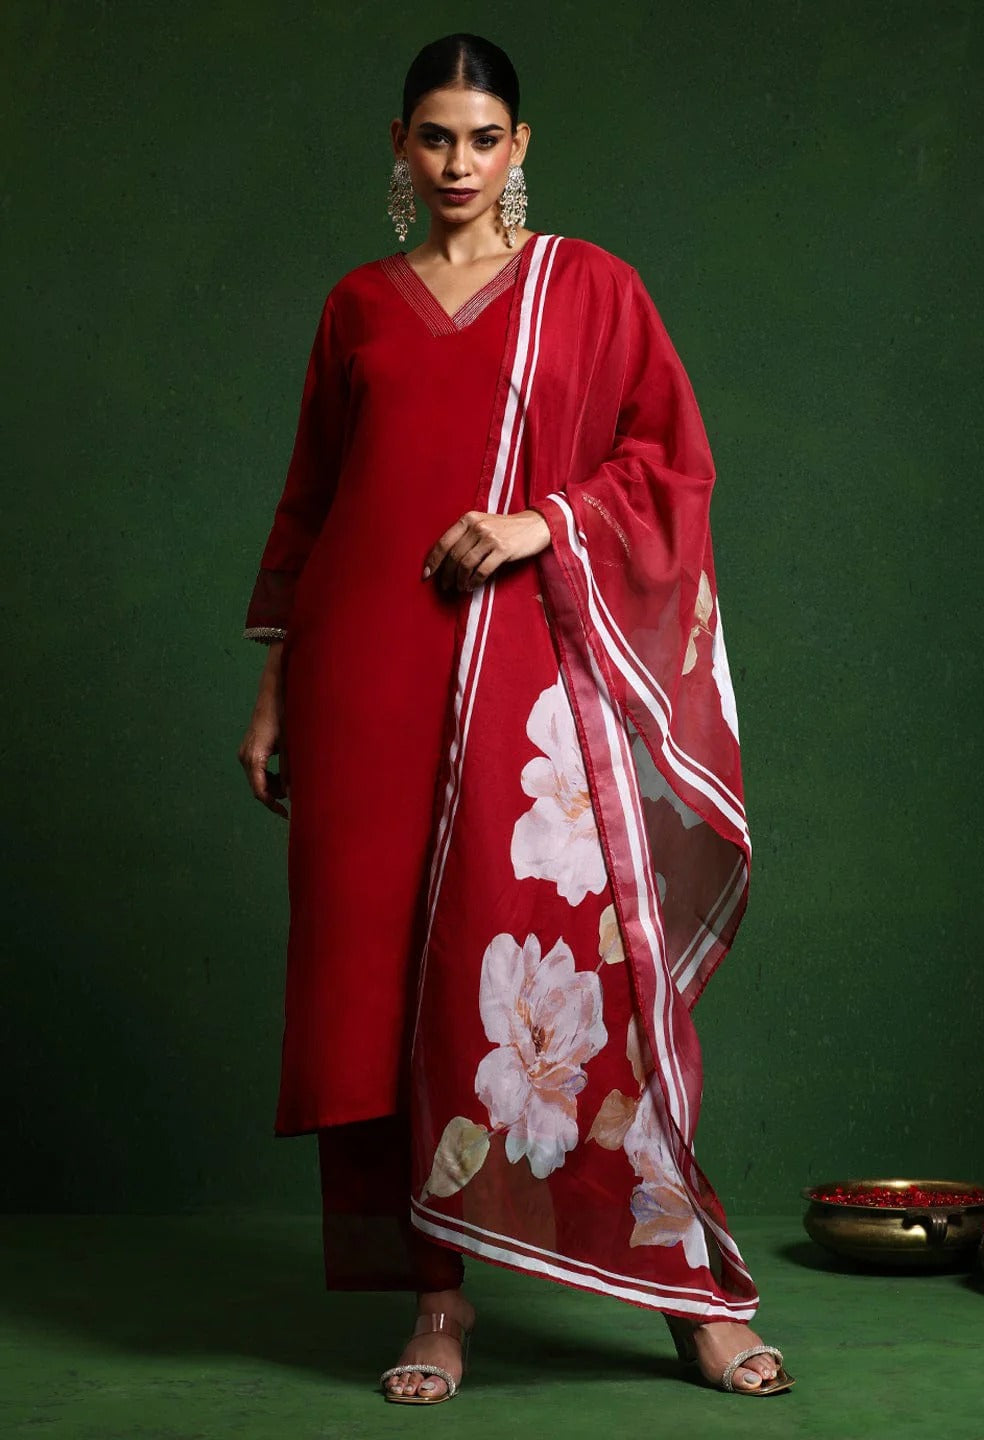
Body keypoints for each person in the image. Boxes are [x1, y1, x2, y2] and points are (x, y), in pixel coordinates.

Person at [237, 31, 793, 1407]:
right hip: (361, 678)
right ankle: (436, 1304)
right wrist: (270, 688)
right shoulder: (356, 305)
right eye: (436, 137)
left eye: (485, 139)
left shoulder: (587, 287)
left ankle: (682, 1284)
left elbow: (670, 460)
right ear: (400, 146)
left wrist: (547, 518)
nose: (460, 165)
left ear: (521, 148)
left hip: (524, 679)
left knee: (567, 979)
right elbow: (311, 505)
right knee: (378, 990)